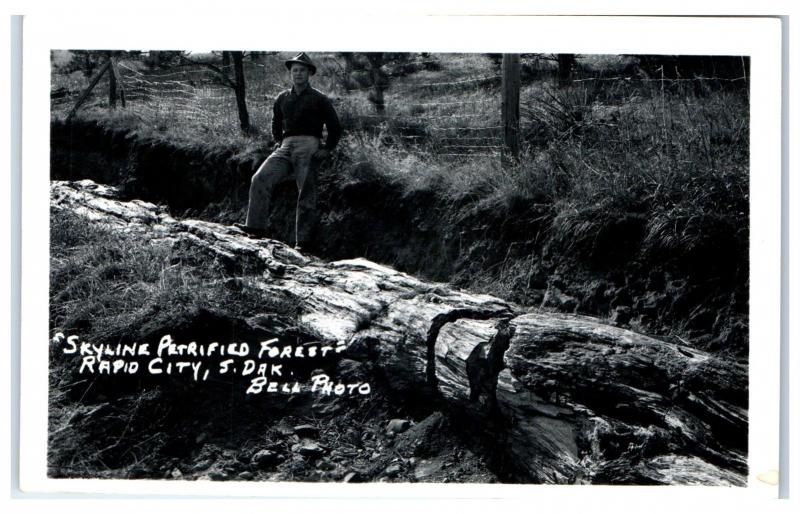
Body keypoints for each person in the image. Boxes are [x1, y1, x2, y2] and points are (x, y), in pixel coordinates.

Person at [236, 52, 342, 251]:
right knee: (260, 178)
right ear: (290, 73)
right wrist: (278, 140)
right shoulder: (282, 97)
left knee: (306, 191)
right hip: (285, 145)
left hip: (309, 145)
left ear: (309, 73)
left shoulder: (319, 98)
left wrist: (327, 149)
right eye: (294, 70)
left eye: (302, 70)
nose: (298, 74)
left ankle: (303, 242)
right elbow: (276, 121)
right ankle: (255, 228)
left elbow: (335, 126)